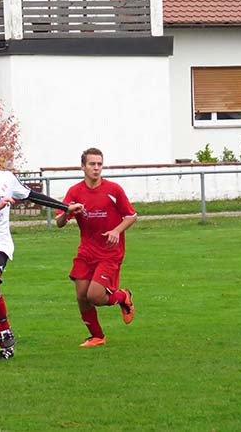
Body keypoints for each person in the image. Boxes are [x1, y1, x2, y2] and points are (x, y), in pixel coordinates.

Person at [0, 134, 82, 360]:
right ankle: (5, 346)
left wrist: (66, 207)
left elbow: (32, 195)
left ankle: (5, 328)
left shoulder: (7, 178)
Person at [56, 147, 137, 347]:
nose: (96, 168)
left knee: (95, 296)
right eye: (92, 164)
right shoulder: (75, 191)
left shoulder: (114, 190)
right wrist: (68, 212)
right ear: (83, 167)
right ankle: (97, 337)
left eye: (99, 164)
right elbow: (59, 221)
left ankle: (123, 297)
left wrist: (117, 231)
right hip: (86, 252)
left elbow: (132, 216)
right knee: (82, 296)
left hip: (110, 252)